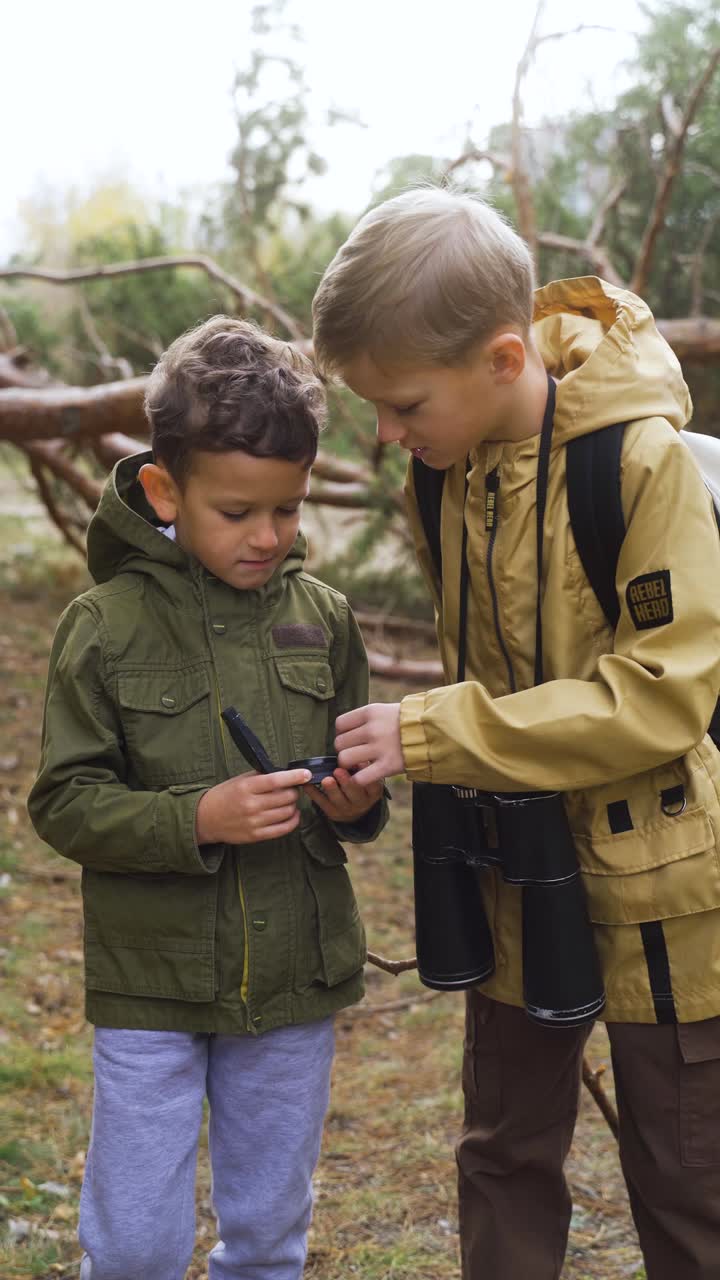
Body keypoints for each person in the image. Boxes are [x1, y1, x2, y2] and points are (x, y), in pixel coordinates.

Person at [311, 186, 720, 1280]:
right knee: (500, 1159)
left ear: (501, 358)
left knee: (688, 1191)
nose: (388, 434)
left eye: (402, 404)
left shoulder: (641, 465)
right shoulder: (442, 473)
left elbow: (661, 698)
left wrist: (434, 732)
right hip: (512, 881)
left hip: (668, 905)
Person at [27, 315, 387, 1280]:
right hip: (153, 981)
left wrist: (357, 803)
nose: (268, 537)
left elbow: (357, 783)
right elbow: (64, 801)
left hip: (293, 984)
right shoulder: (101, 627)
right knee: (137, 1244)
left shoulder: (325, 621)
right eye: (238, 512)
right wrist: (195, 818)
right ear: (163, 489)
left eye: (289, 510)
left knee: (270, 1233)